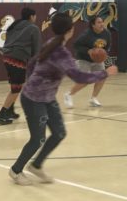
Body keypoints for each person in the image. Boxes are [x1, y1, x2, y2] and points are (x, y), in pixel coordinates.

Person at [9, 13, 118, 185]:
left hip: (48, 98)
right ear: (71, 30)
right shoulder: (60, 52)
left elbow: (31, 64)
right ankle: (16, 170)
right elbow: (79, 77)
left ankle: (36, 166)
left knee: (59, 133)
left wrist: (32, 80)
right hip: (34, 99)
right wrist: (105, 72)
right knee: (37, 138)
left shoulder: (51, 44)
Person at [0, 8, 41, 125]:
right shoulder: (33, 28)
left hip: (7, 57)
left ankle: (10, 111)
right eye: (35, 16)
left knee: (15, 85)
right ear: (32, 16)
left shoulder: (14, 25)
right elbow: (36, 50)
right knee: (16, 88)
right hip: (17, 58)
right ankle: (1, 115)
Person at [64, 16, 112, 108]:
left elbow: (107, 46)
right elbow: (76, 45)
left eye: (102, 22)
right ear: (93, 25)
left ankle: (93, 98)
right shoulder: (86, 35)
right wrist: (88, 51)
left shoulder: (107, 34)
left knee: (102, 77)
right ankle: (68, 95)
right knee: (85, 80)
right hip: (84, 59)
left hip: (97, 59)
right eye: (99, 22)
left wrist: (104, 54)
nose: (102, 24)